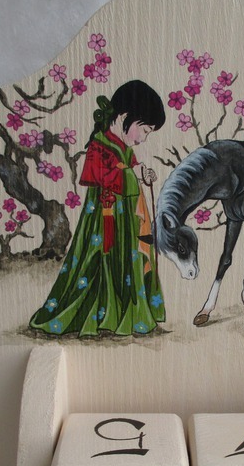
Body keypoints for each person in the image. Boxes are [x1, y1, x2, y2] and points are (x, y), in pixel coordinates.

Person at [29, 80, 166, 337]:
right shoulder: (99, 146)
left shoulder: (124, 149)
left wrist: (142, 173)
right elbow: (100, 175)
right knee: (97, 263)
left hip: (126, 221)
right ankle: (98, 314)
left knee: (128, 262)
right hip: (103, 223)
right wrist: (132, 175)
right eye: (145, 130)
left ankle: (126, 313)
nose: (144, 138)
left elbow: (131, 170)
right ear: (124, 117)